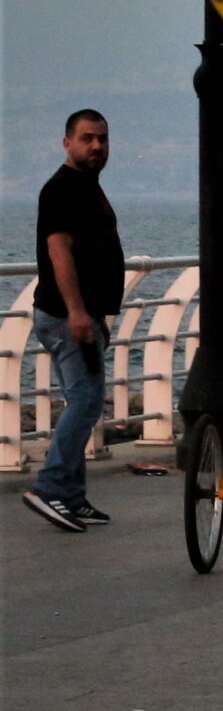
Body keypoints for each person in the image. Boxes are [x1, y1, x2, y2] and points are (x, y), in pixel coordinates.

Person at [22, 110, 122, 533]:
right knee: (84, 401)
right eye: (86, 138)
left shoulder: (88, 188)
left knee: (84, 400)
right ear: (68, 143)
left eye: (101, 138)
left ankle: (73, 498)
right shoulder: (61, 189)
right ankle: (50, 487)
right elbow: (59, 252)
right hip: (65, 315)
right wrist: (78, 312)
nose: (96, 146)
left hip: (81, 315)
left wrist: (94, 315)